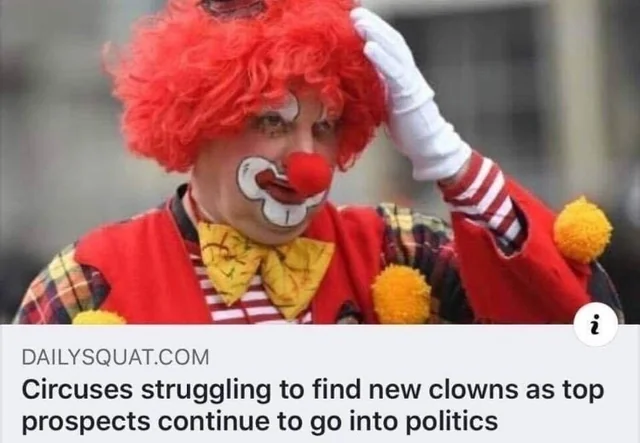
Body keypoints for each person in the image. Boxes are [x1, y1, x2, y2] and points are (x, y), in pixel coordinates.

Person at [13, 0, 623, 325]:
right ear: (197, 125)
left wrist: (450, 161)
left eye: (324, 127)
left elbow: (585, 349)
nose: (308, 162)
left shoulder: (399, 249)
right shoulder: (91, 282)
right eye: (272, 123)